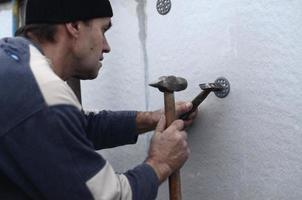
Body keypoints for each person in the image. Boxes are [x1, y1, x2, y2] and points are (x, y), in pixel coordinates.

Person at [0, 0, 197, 199]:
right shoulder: (43, 95)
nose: (107, 46)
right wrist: (161, 163)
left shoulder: (13, 63)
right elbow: (108, 196)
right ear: (74, 26)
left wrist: (151, 119)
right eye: (103, 30)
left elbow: (77, 126)